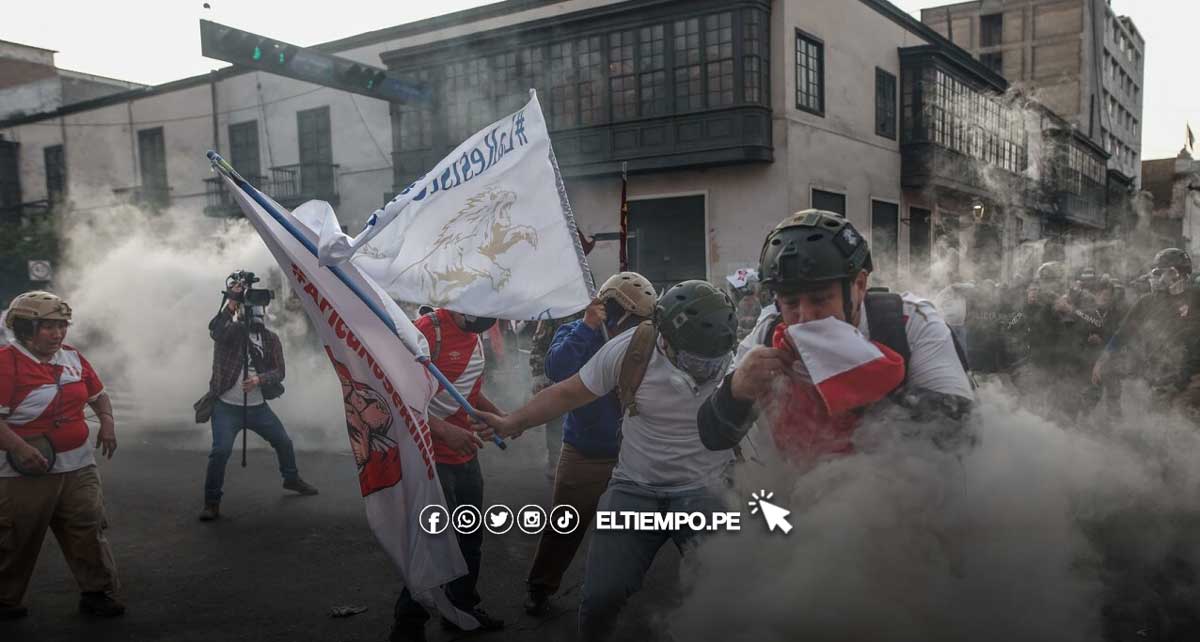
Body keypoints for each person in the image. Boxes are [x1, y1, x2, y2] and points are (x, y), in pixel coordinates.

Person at [476, 280, 739, 641]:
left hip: (704, 490)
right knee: (601, 596)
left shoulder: (741, 365)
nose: (704, 370)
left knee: (728, 593)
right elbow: (566, 391)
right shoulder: (632, 349)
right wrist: (511, 422)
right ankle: (542, 588)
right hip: (634, 488)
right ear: (666, 339)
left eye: (713, 362)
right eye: (693, 360)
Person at [696, 210, 973, 462]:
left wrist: (863, 380)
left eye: (820, 299)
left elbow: (960, 433)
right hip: (805, 503)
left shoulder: (911, 322)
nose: (804, 317)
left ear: (859, 286)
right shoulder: (768, 332)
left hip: (902, 503)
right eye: (791, 303)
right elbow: (712, 435)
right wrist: (737, 390)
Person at [524, 272, 657, 617]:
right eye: (634, 317)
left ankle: (617, 592)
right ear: (611, 309)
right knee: (564, 525)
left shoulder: (645, 343)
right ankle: (541, 586)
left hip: (633, 454)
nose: (638, 325)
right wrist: (586, 327)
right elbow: (557, 368)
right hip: (584, 452)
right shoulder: (577, 333)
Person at [0, 291, 125, 619]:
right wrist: (19, 448)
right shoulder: (6, 362)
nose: (58, 333)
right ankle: (6, 599)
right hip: (23, 471)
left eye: (62, 325)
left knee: (87, 527)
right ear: (26, 328)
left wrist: (107, 423)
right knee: (15, 539)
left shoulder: (73, 357)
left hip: (79, 464)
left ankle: (97, 592)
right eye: (49, 326)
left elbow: (98, 396)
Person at [390, 308, 505, 642]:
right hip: (429, 455)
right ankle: (408, 624)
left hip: (464, 454)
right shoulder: (426, 331)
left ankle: (461, 609)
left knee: (469, 535)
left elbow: (465, 391)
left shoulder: (475, 332)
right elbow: (398, 398)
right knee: (432, 540)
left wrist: (501, 416)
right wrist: (443, 432)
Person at [200, 278, 317, 521]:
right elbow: (216, 330)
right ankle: (211, 502)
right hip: (226, 407)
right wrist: (232, 301)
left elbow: (279, 371)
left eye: (259, 308)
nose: (256, 312)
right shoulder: (231, 332)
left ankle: (291, 479)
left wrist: (259, 380)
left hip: (257, 408)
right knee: (220, 451)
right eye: (250, 307)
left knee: (283, 441)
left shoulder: (270, 339)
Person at [1092, 248, 1200, 414]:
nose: (1153, 277)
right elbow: (1122, 334)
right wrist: (1102, 360)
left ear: (1175, 273)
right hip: (1162, 376)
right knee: (1155, 417)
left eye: (1158, 272)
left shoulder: (1196, 298)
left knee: (1181, 414)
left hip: (1193, 376)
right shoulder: (1147, 302)